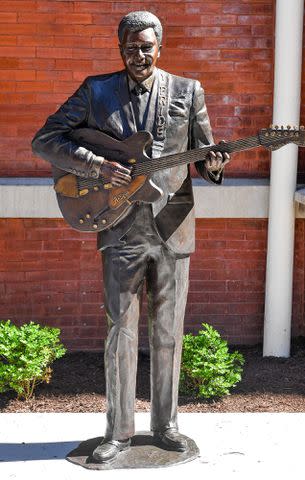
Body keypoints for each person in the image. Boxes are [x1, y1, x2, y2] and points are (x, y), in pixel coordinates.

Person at [32, 11, 230, 463]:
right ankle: (118, 431)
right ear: (119, 48)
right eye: (130, 47)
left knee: (168, 332)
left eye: (146, 47)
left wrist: (215, 164)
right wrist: (97, 165)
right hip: (118, 224)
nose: (138, 55)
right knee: (119, 330)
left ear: (160, 47)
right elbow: (45, 140)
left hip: (173, 226)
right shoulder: (96, 90)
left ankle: (167, 426)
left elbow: (205, 158)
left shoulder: (187, 91)